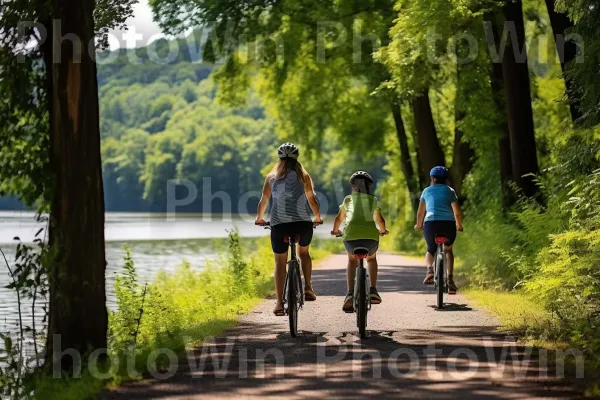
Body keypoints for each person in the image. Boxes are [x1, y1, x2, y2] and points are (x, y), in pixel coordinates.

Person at [255, 143, 323, 316]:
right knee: (304, 253)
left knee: (279, 263)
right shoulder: (303, 176)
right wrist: (317, 217)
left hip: (279, 225)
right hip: (302, 224)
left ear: (280, 159)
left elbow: (264, 200)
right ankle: (308, 287)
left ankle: (279, 303)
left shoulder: (271, 177)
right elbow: (312, 199)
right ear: (296, 159)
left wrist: (259, 218)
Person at [331, 171, 388, 313]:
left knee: (351, 261)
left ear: (352, 186)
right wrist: (383, 230)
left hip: (350, 237)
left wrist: (335, 231)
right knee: (371, 259)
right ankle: (373, 289)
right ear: (369, 187)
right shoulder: (372, 200)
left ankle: (350, 293)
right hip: (370, 238)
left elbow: (339, 218)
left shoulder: (348, 200)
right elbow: (380, 219)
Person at [414, 166, 464, 294]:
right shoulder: (450, 191)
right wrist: (459, 225)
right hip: (448, 224)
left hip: (431, 223)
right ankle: (451, 280)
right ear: (446, 179)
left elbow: (420, 212)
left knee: (431, 249)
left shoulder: (426, 191)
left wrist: (418, 225)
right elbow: (457, 212)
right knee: (448, 250)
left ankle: (430, 270)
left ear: (432, 178)